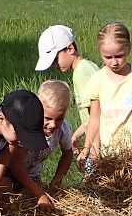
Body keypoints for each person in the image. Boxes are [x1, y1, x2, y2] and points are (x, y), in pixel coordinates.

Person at [78, 23, 132, 167]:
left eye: (119, 56)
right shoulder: (97, 80)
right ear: (100, 52)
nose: (114, 62)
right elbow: (94, 118)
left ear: (129, 49)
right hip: (110, 152)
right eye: (108, 57)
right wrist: (88, 148)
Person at [34, 25, 101, 153]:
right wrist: (78, 134)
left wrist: (92, 148)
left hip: (99, 139)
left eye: (55, 59)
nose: (54, 65)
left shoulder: (80, 74)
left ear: (70, 48)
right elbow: (90, 115)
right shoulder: (88, 66)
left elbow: (96, 113)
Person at [7, 80, 74, 190]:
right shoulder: (27, 127)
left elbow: (67, 154)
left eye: (59, 119)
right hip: (8, 171)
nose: (53, 124)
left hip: (32, 175)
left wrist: (56, 182)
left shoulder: (63, 128)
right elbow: (15, 164)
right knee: (5, 196)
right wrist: (38, 193)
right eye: (48, 118)